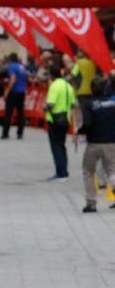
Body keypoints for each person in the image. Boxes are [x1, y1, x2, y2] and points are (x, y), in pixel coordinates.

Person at [79, 78, 115, 212]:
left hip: (94, 143)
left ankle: (91, 202)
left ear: (91, 89)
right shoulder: (113, 103)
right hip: (111, 142)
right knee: (112, 170)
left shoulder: (89, 104)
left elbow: (87, 124)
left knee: (88, 171)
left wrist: (80, 131)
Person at [45, 64, 76, 181]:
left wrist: (45, 107)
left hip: (54, 120)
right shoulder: (68, 85)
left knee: (56, 147)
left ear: (51, 75)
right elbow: (73, 103)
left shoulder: (54, 86)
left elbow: (51, 104)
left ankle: (60, 173)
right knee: (62, 146)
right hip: (65, 119)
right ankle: (64, 171)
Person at [1, 53, 28, 140]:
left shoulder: (12, 66)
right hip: (22, 91)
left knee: (8, 112)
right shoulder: (22, 67)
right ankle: (20, 133)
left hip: (14, 91)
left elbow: (13, 79)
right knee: (20, 113)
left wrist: (7, 90)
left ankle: (5, 133)